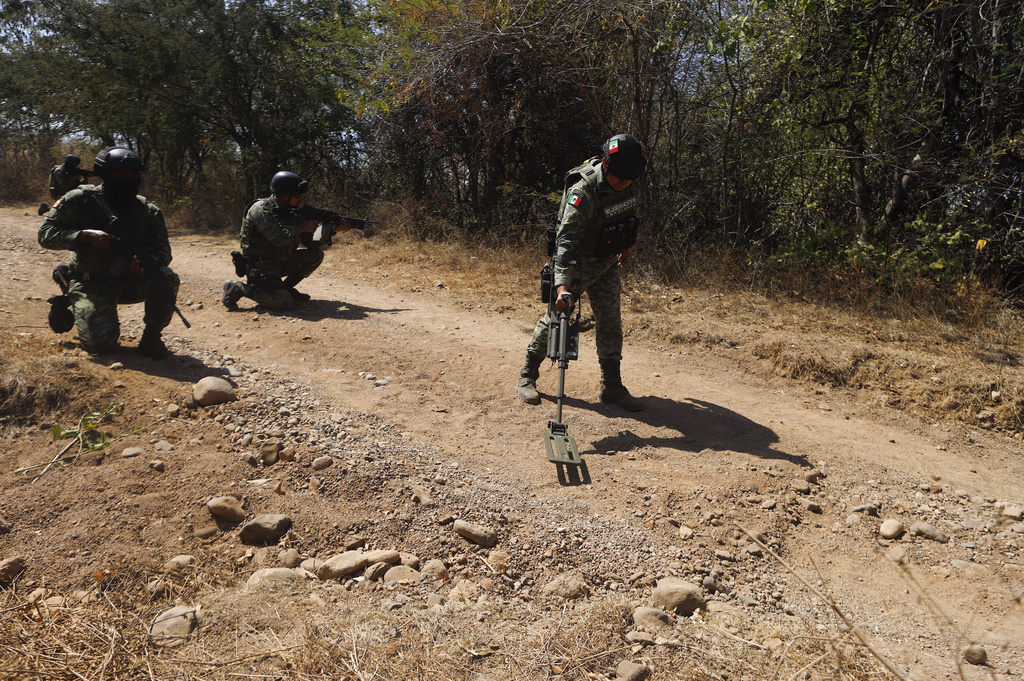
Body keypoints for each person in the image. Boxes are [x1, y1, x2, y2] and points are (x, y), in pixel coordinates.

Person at [517, 133, 648, 411]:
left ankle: (611, 386)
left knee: (611, 321)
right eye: (620, 179)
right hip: (577, 262)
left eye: (629, 180)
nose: (625, 184)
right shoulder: (583, 191)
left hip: (607, 262)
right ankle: (528, 375)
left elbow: (625, 213)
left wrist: (625, 245)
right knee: (557, 317)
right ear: (605, 164)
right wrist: (562, 286)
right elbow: (565, 241)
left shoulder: (626, 176)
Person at [37, 147, 180, 359]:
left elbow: (163, 252)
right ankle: (68, 288)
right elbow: (45, 234)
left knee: (166, 278)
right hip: (89, 284)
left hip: (127, 281)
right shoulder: (79, 199)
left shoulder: (147, 210)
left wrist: (143, 262)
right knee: (100, 345)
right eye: (121, 175)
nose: (128, 180)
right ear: (105, 174)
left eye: (133, 176)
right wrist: (83, 236)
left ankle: (151, 338)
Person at [222, 171, 344, 311]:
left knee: (316, 255)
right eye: (297, 195)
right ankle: (239, 288)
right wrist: (303, 227)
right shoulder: (261, 209)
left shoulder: (292, 211)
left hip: (281, 262)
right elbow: (279, 239)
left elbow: (310, 243)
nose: (300, 200)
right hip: (261, 266)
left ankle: (285, 288)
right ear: (285, 194)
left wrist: (332, 230)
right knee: (284, 303)